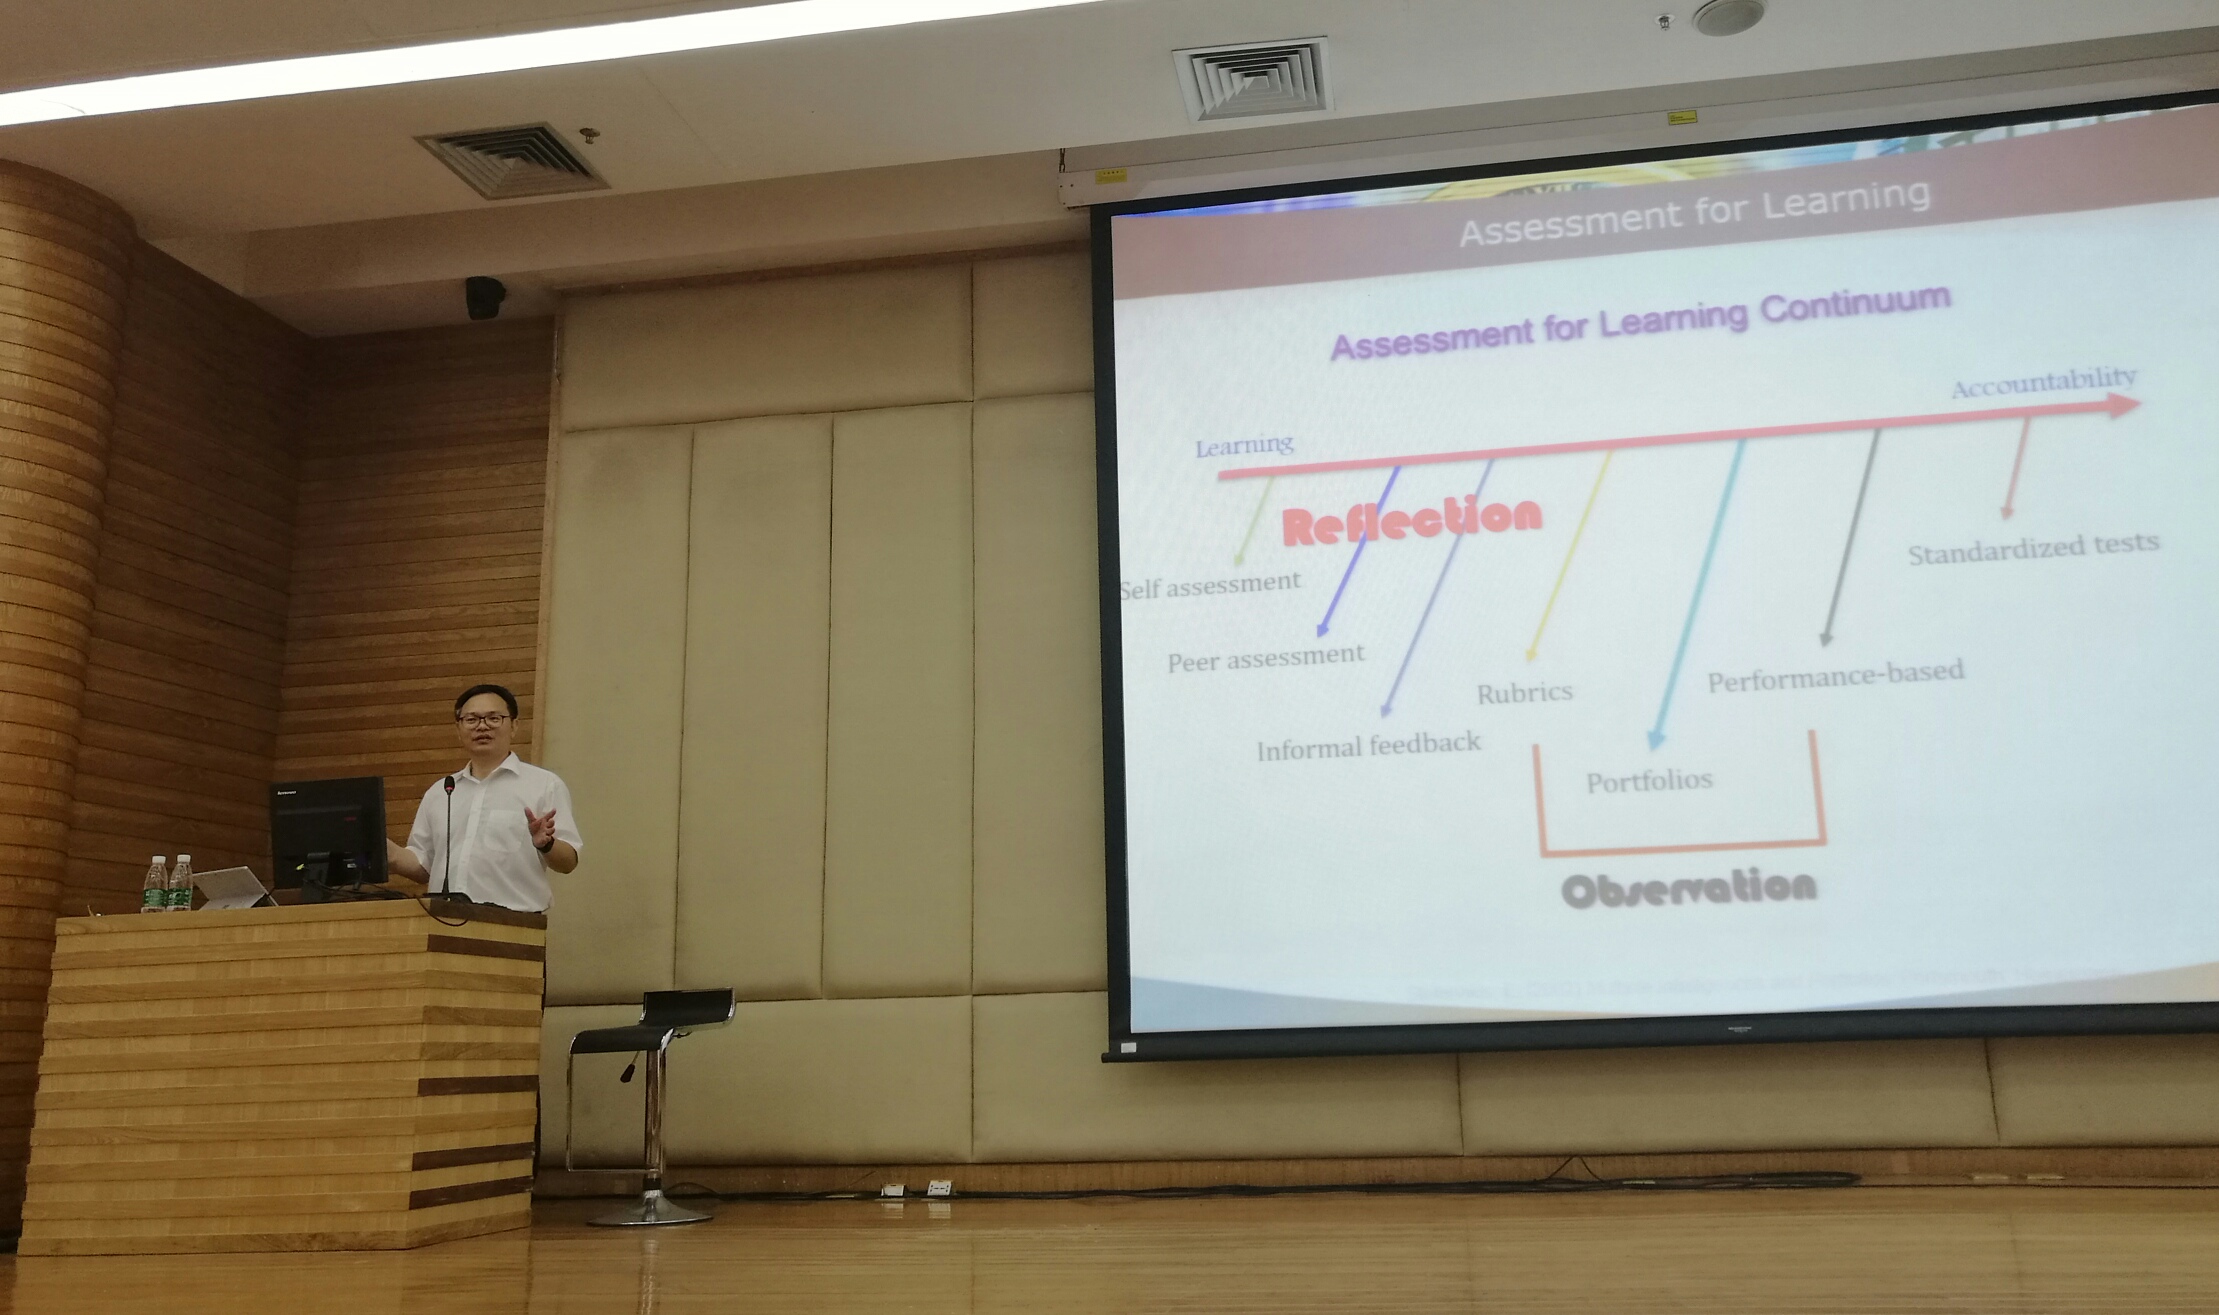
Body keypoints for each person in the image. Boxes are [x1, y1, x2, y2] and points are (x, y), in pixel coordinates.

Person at [385, 683, 581, 911]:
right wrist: (386, 852)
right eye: (471, 719)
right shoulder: (442, 791)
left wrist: (546, 845)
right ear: (458, 729)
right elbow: (423, 866)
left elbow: (568, 862)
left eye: (494, 718)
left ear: (514, 726)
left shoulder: (544, 785)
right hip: (444, 920)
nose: (482, 726)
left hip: (512, 921)